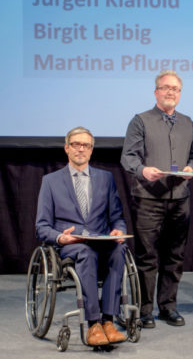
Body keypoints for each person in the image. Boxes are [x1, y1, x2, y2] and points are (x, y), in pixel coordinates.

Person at [121, 70, 193, 328]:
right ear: (156, 92)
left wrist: (191, 167)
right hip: (148, 198)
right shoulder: (140, 121)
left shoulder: (189, 124)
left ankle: (168, 307)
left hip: (180, 198)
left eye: (175, 89)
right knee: (148, 257)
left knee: (175, 255)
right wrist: (143, 170)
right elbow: (129, 157)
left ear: (180, 94)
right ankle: (144, 311)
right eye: (165, 88)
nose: (170, 92)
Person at [35, 126, 127, 346]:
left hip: (101, 241)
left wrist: (119, 230)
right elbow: (41, 226)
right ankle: (93, 323)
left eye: (86, 145)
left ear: (91, 150)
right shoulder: (51, 181)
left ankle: (108, 321)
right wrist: (60, 237)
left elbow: (117, 217)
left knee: (119, 248)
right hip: (72, 245)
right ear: (67, 148)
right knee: (86, 252)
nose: (81, 149)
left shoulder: (106, 178)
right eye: (76, 144)